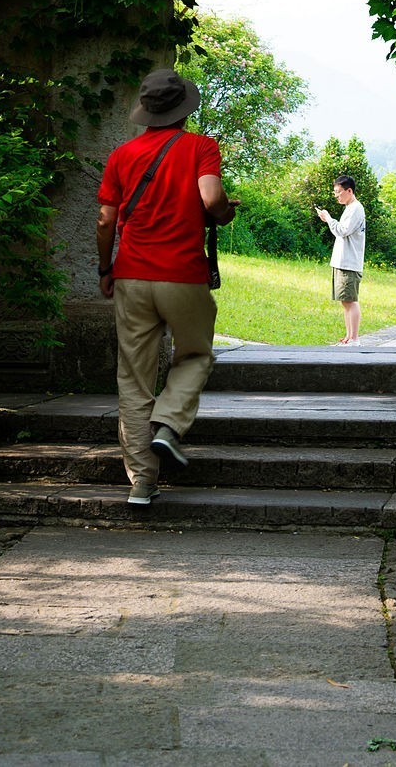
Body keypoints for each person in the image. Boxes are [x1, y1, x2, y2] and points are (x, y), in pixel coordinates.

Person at [96, 67, 238, 506]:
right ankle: (170, 425)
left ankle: (141, 483)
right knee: (194, 355)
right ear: (183, 110)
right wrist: (224, 214)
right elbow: (211, 199)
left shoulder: (122, 155)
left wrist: (106, 269)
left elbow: (105, 220)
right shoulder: (200, 147)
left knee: (134, 381)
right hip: (182, 275)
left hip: (132, 276)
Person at [314, 173, 366, 345]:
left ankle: (355, 339)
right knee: (345, 301)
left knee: (351, 300)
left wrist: (328, 218)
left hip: (349, 263)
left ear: (349, 191)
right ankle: (348, 337)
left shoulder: (356, 208)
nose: (336, 195)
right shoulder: (349, 208)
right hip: (341, 261)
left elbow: (342, 231)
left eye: (338, 192)